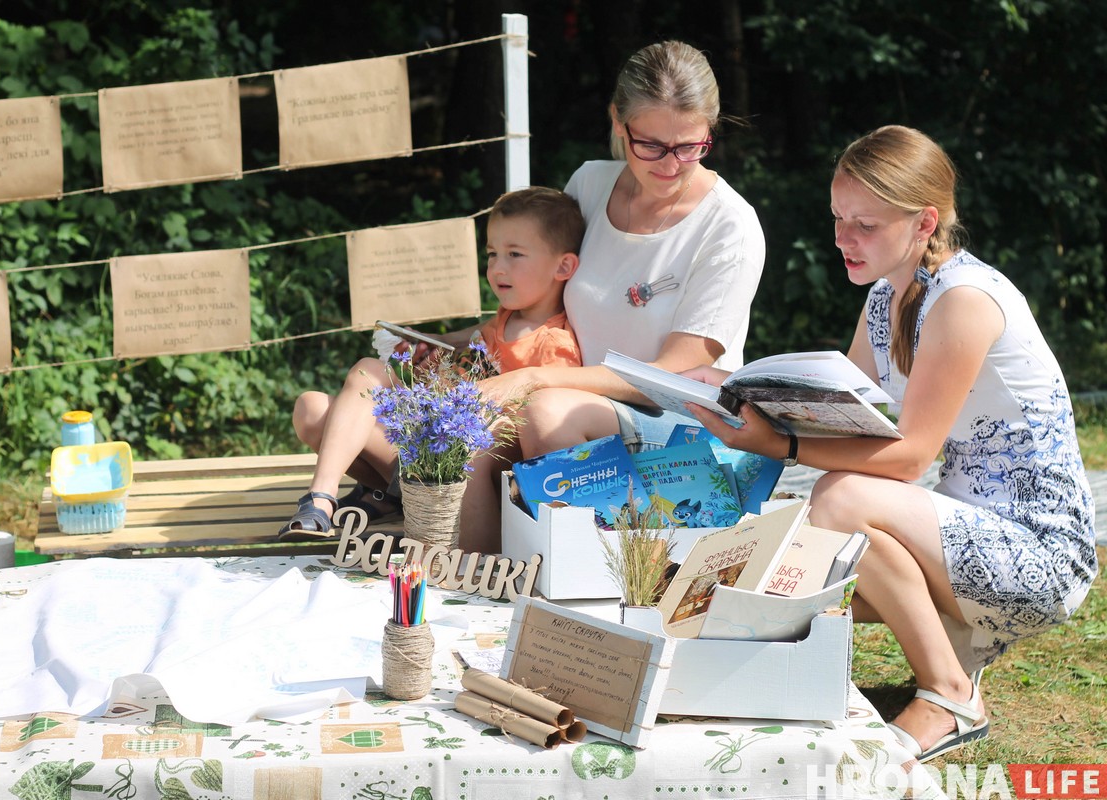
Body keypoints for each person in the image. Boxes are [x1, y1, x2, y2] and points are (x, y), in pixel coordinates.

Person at [683, 125, 1098, 762]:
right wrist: (737, 391)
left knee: (838, 499)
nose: (843, 238)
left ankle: (950, 693)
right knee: (795, 560)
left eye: (865, 225)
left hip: (1040, 554)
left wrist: (780, 446)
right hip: (969, 530)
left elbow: (908, 459)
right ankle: (921, 660)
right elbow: (841, 415)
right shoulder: (887, 297)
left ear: (924, 222)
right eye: (838, 218)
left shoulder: (963, 299)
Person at [460, 40, 766, 552]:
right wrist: (451, 344)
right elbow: (538, 302)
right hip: (579, 403)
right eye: (651, 146)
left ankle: (588, 570)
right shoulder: (590, 184)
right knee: (466, 424)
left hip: (685, 430)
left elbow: (673, 377)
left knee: (544, 412)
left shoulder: (729, 226)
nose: (671, 165)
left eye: (690, 147)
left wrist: (534, 378)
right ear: (618, 123)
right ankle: (473, 577)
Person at [281, 186, 585, 538]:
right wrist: (427, 350)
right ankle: (321, 500)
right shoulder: (505, 319)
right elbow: (463, 352)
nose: (497, 267)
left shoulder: (554, 343)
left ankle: (391, 500)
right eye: (492, 254)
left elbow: (547, 422)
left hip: (469, 470)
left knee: (465, 444)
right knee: (320, 402)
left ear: (563, 266)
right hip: (434, 453)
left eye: (514, 254)